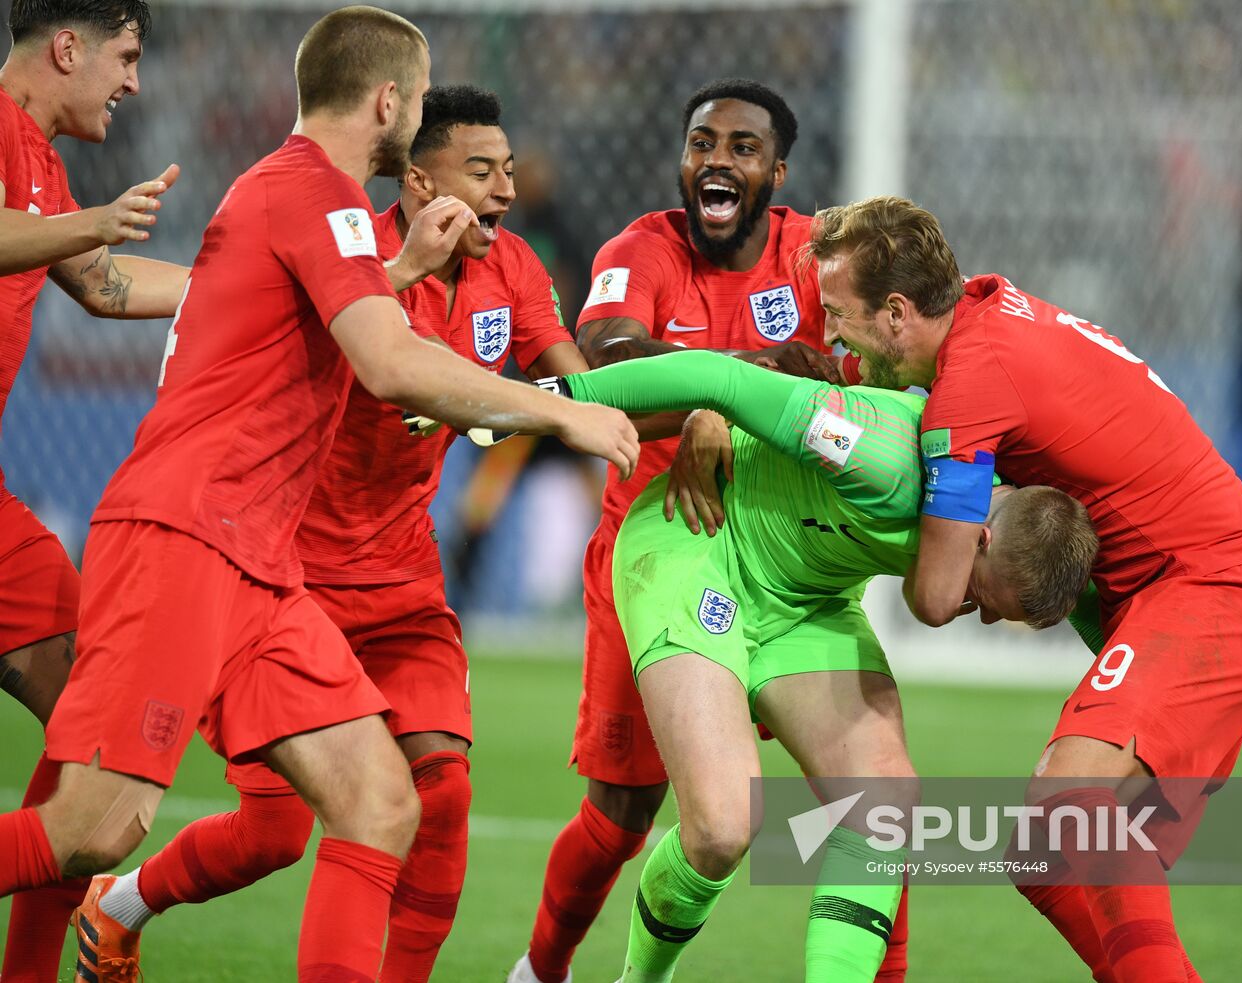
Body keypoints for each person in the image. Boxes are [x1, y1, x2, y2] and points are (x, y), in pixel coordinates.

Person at [0, 9, 638, 983]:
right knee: (92, 827)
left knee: (380, 800)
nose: (417, 119)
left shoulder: (317, 204)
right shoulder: (312, 190)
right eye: (416, 102)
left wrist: (402, 271)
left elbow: (317, 311)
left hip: (260, 560)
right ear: (387, 102)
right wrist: (561, 414)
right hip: (187, 534)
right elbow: (391, 362)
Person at [808, 196, 1242, 983]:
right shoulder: (991, 313)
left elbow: (934, 597)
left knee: (1071, 802)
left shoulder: (970, 388)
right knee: (1048, 856)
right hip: (1198, 604)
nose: (833, 335)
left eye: (838, 314)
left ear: (897, 312)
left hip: (1213, 594)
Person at [534, 348, 1096, 981]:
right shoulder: (878, 453)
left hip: (809, 602)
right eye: (989, 600)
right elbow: (721, 379)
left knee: (884, 805)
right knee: (722, 828)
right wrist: (553, 397)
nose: (984, 617)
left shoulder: (1017, 505)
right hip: (703, 546)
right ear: (981, 538)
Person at [514, 75, 905, 983]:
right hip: (663, 550)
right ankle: (540, 971)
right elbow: (609, 361)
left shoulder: (818, 256)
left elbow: (871, 365)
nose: (716, 160)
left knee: (876, 809)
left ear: (778, 171)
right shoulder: (640, 249)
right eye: (702, 143)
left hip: (787, 559)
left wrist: (732, 397)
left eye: (742, 147)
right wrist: (740, 382)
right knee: (621, 814)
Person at [0, 0, 193, 976]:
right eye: (124, 56)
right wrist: (91, 221)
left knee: (91, 713)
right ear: (67, 47)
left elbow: (102, 281)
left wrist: (240, 286)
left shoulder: (42, 165)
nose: (133, 82)